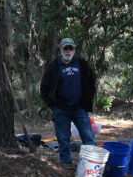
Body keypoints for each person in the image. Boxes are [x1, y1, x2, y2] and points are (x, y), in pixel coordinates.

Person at [40, 37, 98, 165]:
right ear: (61, 49)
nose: (68, 51)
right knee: (63, 139)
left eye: (70, 48)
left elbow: (91, 84)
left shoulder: (82, 64)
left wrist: (87, 101)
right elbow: (44, 88)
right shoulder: (54, 66)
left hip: (79, 109)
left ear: (74, 49)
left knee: (88, 137)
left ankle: (92, 164)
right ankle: (65, 164)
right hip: (61, 110)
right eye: (65, 48)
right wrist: (53, 106)